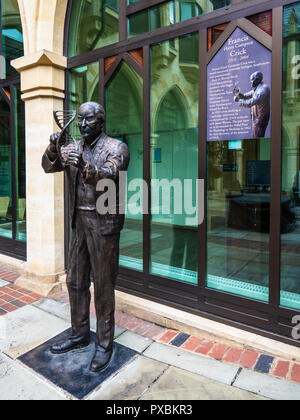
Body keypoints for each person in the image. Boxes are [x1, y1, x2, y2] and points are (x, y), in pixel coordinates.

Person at [42, 102, 130, 372]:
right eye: (79, 120)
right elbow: (48, 167)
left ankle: (104, 344)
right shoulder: (73, 147)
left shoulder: (117, 148)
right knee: (75, 281)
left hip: (103, 224)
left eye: (88, 120)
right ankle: (79, 333)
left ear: (101, 122)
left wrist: (86, 165)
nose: (81, 125)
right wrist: (53, 147)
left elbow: (110, 175)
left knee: (103, 284)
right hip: (79, 221)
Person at [233, 71, 270, 138]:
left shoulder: (263, 90)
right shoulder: (257, 88)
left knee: (257, 138)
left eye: (252, 80)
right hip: (256, 119)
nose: (250, 82)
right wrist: (239, 94)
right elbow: (246, 95)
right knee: (254, 136)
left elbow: (250, 102)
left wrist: (239, 100)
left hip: (260, 120)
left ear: (257, 80)